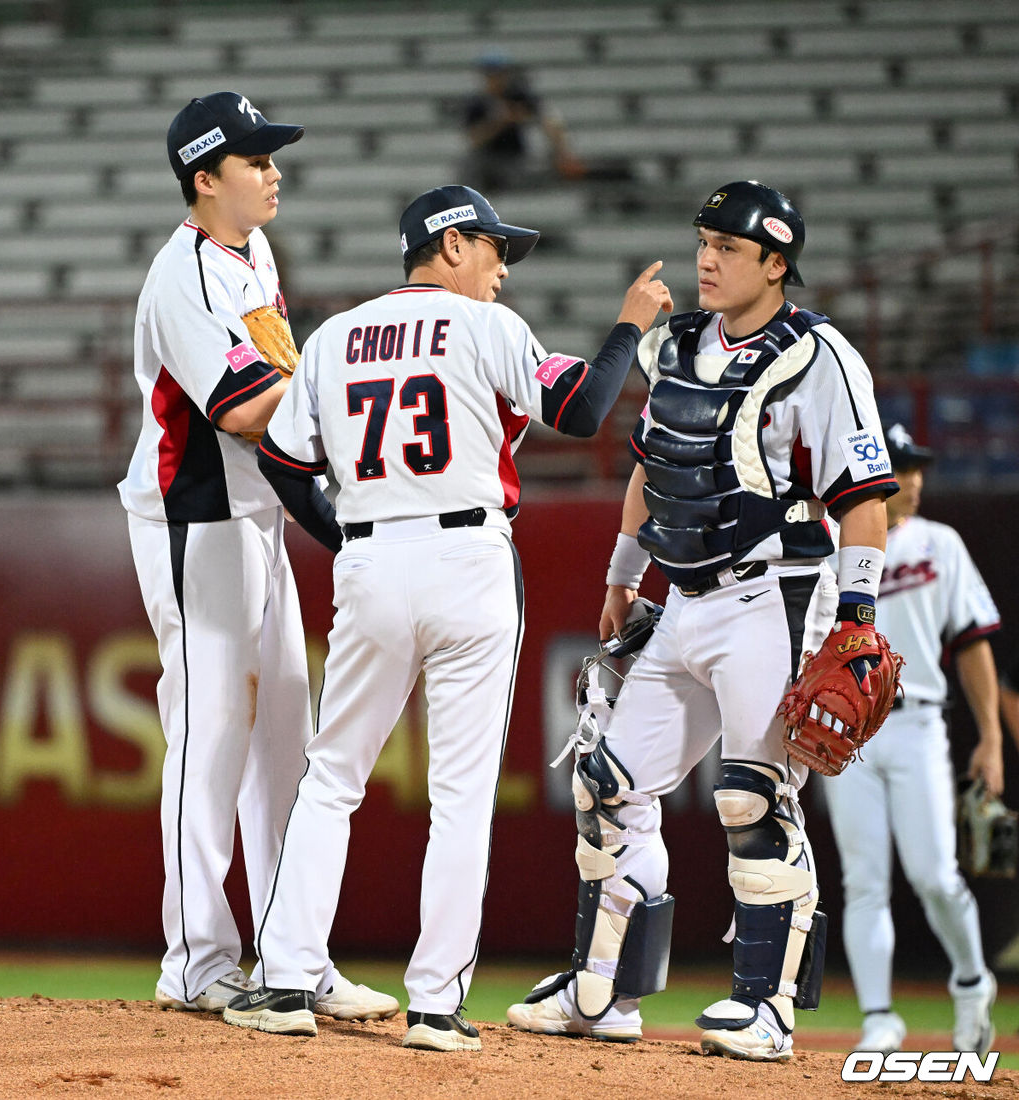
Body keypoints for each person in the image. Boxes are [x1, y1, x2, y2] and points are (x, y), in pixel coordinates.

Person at [221, 184, 672, 1050]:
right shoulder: (486, 329)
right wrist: (627, 327)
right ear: (453, 244)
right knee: (461, 797)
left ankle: (283, 984)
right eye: (496, 249)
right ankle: (433, 1006)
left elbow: (281, 458)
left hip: (372, 560)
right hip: (468, 560)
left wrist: (346, 532)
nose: (503, 269)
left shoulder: (335, 336)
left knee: (332, 776)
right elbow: (579, 410)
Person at [507, 180, 899, 1062]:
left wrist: (860, 621)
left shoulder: (821, 355)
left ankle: (767, 1009)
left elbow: (866, 497)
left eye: (729, 246)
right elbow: (653, 467)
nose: (708, 259)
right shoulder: (674, 344)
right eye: (703, 242)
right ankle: (603, 992)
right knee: (608, 784)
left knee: (753, 793)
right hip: (683, 597)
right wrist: (624, 576)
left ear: (777, 262)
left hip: (776, 592)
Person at [118, 90, 397, 1023]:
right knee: (210, 737)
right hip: (193, 522)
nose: (274, 171)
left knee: (286, 733)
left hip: (253, 515)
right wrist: (353, 404)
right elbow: (242, 408)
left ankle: (291, 955)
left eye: (271, 156)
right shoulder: (187, 276)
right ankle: (197, 960)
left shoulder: (251, 252)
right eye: (254, 159)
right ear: (206, 180)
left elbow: (272, 396)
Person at [822, 423, 1002, 1058]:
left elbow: (973, 639)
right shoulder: (830, 544)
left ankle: (973, 982)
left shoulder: (940, 544)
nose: (917, 480)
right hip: (848, 735)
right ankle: (878, 1018)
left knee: (935, 876)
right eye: (903, 467)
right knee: (864, 880)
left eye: (920, 467)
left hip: (921, 721)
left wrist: (991, 742)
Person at [460, 52, 584, 191]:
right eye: (491, 75)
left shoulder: (519, 96)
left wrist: (563, 153)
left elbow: (549, 120)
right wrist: (499, 123)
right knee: (467, 168)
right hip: (487, 159)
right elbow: (473, 139)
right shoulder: (476, 103)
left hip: (514, 157)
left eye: (499, 74)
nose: (496, 79)